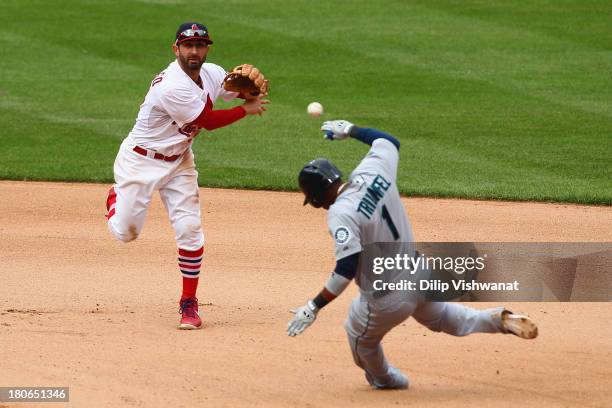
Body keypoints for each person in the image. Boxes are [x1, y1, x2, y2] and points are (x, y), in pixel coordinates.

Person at [287, 120, 538, 389]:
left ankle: (387, 380)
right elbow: (388, 142)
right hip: (420, 273)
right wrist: (350, 130)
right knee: (442, 317)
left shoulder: (340, 214)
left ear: (315, 199)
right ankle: (496, 319)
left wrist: (313, 306)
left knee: (360, 338)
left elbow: (346, 267)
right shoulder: (371, 172)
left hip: (387, 298)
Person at [105, 22, 268, 330]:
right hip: (141, 162)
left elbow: (230, 89)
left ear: (207, 48)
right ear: (176, 49)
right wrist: (246, 109)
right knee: (125, 233)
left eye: (201, 45)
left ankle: (188, 303)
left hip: (179, 160)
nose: (194, 51)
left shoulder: (212, 72)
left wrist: (248, 89)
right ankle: (115, 199)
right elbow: (206, 120)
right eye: (188, 46)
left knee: (190, 229)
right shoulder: (172, 85)